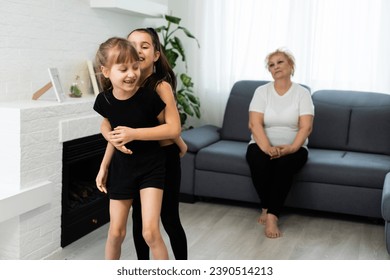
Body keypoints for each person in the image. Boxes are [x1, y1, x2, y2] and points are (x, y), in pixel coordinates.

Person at [96, 28, 188, 260]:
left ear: (156, 55)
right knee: (138, 224)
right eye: (132, 44)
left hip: (161, 157)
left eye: (144, 46)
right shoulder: (120, 89)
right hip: (130, 160)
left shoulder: (158, 87)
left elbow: (170, 127)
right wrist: (107, 145)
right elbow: (113, 125)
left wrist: (178, 141)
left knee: (167, 220)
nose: (136, 50)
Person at [245, 48, 314, 239]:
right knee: (258, 159)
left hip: (294, 146)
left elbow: (306, 127)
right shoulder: (261, 92)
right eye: (271, 65)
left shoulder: (302, 93)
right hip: (262, 143)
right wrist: (267, 148)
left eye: (280, 62)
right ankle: (266, 207)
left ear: (291, 65)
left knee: (284, 165)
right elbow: (254, 123)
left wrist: (291, 148)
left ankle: (272, 216)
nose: (275, 67)